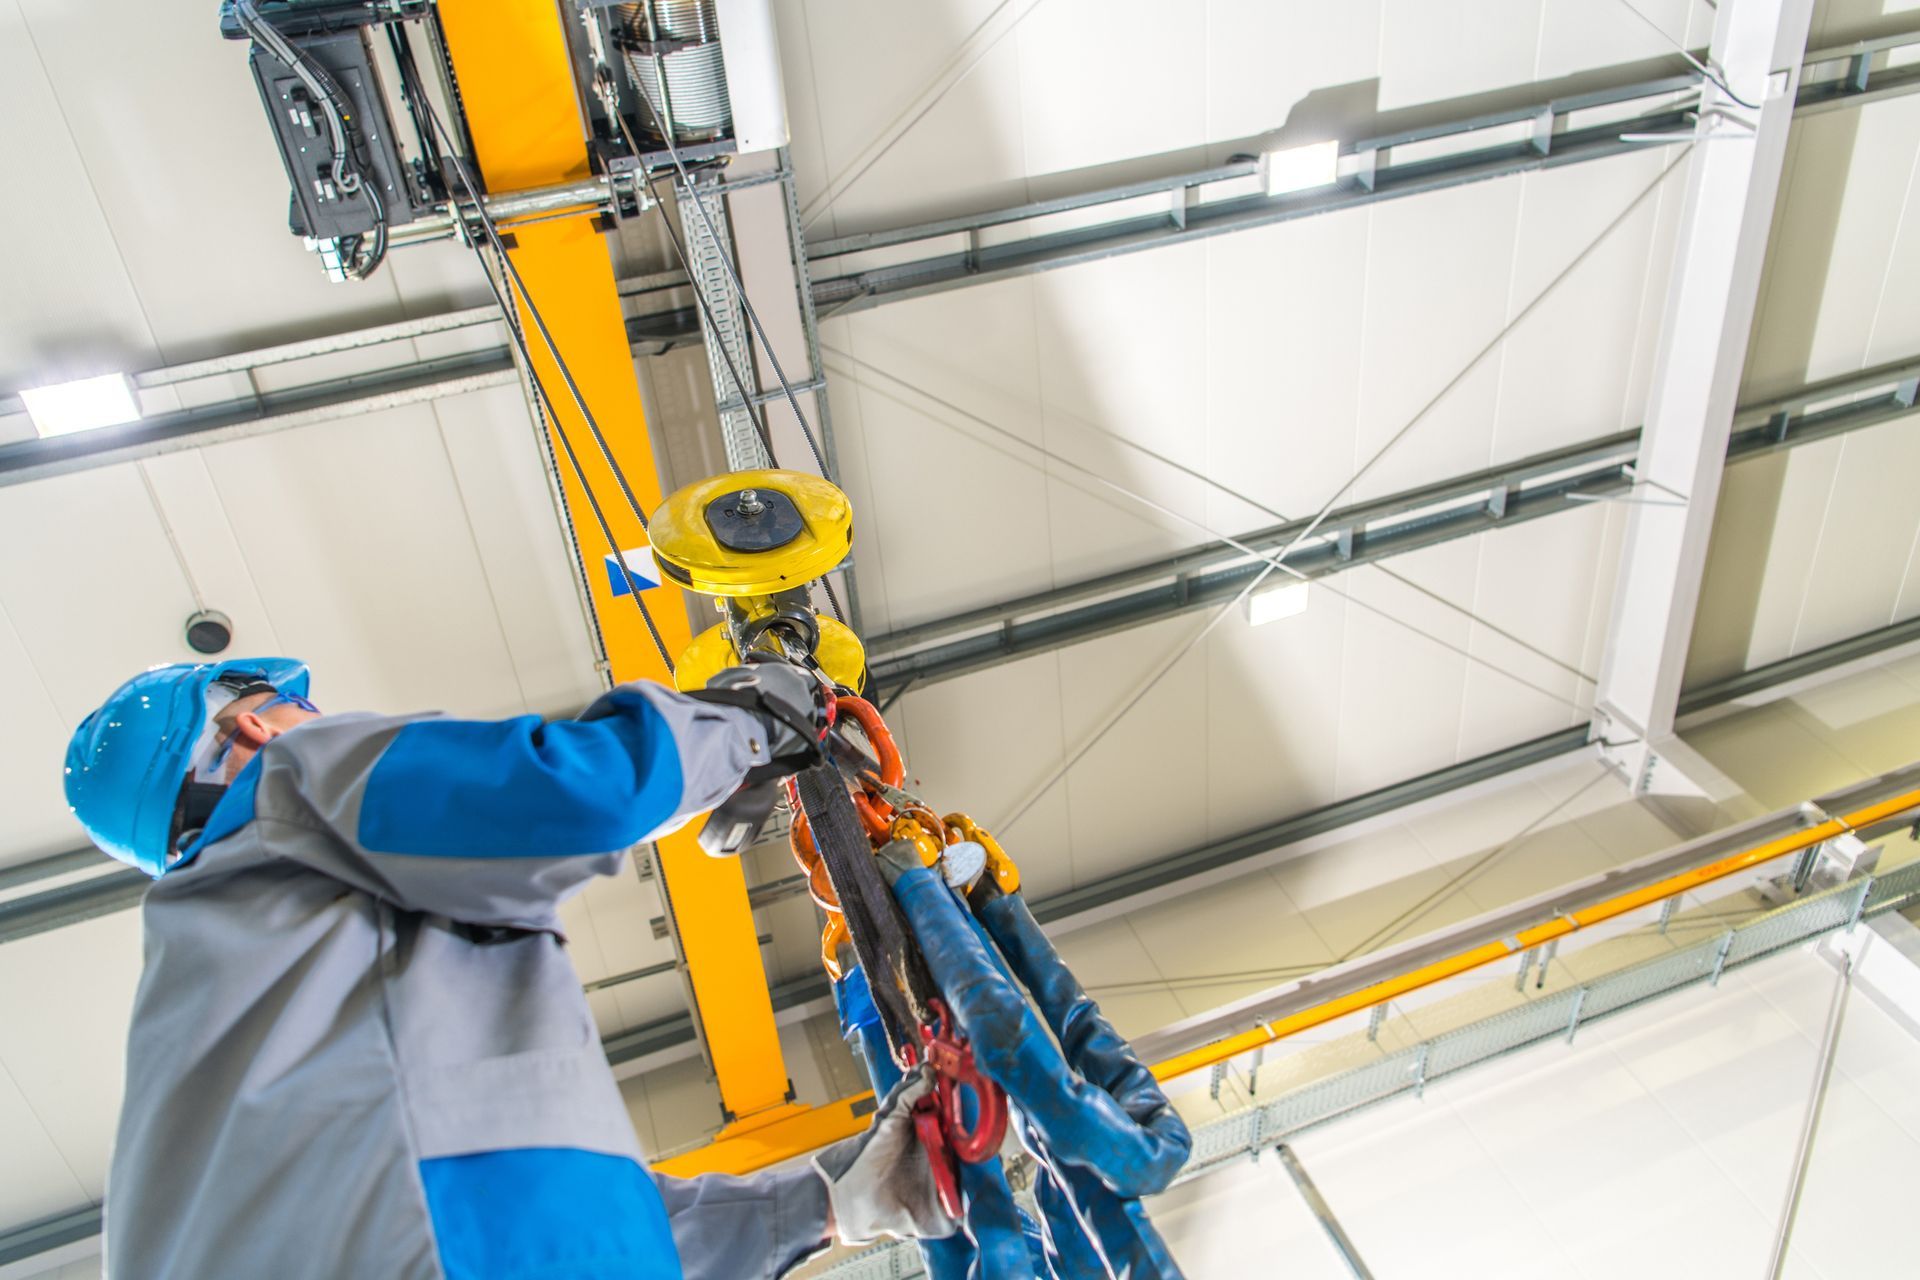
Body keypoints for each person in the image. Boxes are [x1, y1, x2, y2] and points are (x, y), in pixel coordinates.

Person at [64, 657, 958, 1280]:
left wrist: (829, 1202)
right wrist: (752, 721)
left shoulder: (235, 1005)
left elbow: (568, 1231)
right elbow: (575, 790)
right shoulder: (290, 783)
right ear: (252, 725)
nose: (318, 719)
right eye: (300, 707)